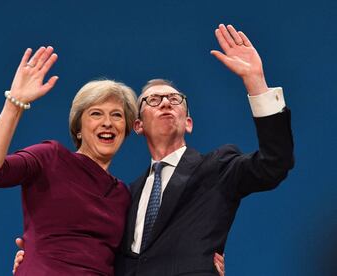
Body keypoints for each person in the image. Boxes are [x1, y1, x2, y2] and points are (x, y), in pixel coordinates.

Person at [112, 24, 294, 275]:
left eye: (176, 100)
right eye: (153, 100)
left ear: (188, 123)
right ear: (138, 125)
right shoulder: (127, 195)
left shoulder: (217, 168)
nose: (166, 102)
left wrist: (256, 81)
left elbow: (275, 163)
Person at [0, 46, 139, 275]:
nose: (107, 122)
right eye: (96, 113)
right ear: (78, 128)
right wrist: (14, 104)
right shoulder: (51, 157)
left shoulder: (122, 194)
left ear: (126, 129)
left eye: (117, 115)